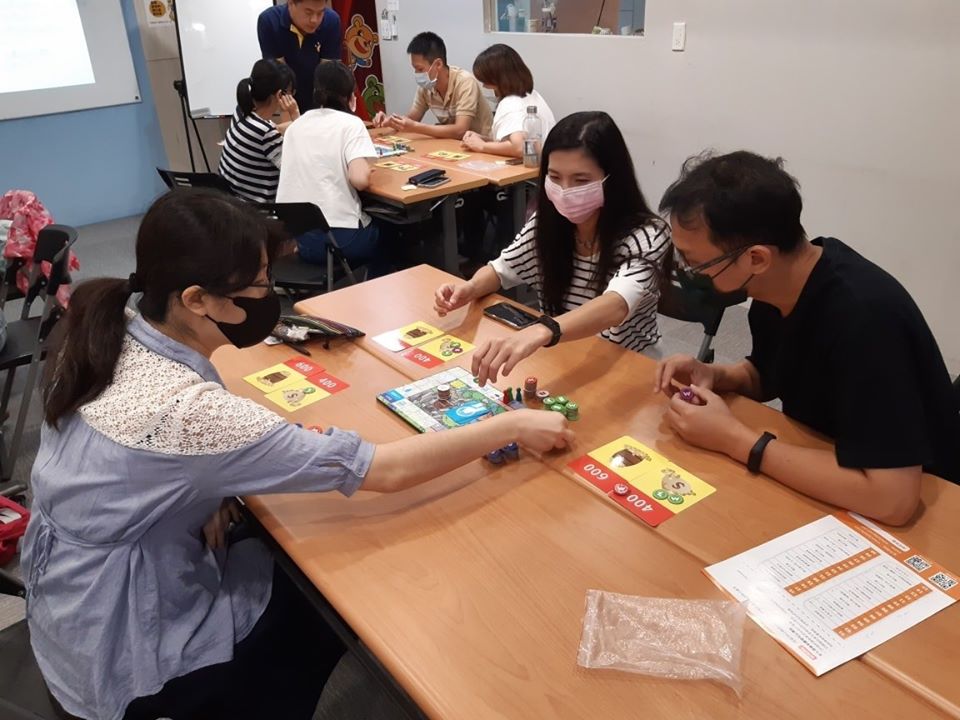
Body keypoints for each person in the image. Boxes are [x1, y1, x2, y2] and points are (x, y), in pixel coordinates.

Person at [22, 188, 572, 720]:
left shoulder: (111, 327)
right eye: (260, 285)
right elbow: (387, 469)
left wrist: (208, 491)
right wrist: (512, 424)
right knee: (342, 579)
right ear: (195, 300)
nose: (271, 296)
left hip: (68, 606)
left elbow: (142, 469)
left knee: (275, 527)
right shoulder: (188, 413)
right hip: (130, 657)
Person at [655, 150, 960, 525]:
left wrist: (735, 439)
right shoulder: (777, 285)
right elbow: (771, 373)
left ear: (756, 259)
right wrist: (717, 376)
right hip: (829, 461)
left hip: (925, 505)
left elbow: (893, 500)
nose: (686, 273)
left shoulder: (865, 318)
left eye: (694, 262)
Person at [434, 111, 671, 386]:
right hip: (565, 357)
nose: (565, 190)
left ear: (612, 179)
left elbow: (617, 304)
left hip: (630, 368)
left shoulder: (647, 235)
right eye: (554, 177)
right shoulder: (548, 224)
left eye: (581, 181)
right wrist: (470, 288)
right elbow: (502, 269)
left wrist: (543, 330)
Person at [276, 61, 391, 277]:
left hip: (303, 240)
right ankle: (375, 290)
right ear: (350, 95)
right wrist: (366, 168)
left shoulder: (295, 126)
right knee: (393, 232)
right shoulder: (351, 124)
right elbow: (360, 180)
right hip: (342, 240)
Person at [371, 31, 492, 139]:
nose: (417, 74)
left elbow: (460, 130)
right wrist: (391, 121)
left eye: (420, 69)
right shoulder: (426, 86)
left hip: (481, 145)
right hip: (451, 143)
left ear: (438, 64)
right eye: (414, 69)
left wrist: (415, 127)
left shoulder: (465, 82)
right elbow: (413, 117)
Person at [219, 59, 299, 203]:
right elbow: (295, 169)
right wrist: (295, 114)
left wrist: (285, 126)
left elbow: (271, 130)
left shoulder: (241, 111)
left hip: (231, 200)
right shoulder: (265, 133)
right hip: (256, 209)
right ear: (279, 95)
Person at [462, 43, 556, 158]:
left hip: (529, 166)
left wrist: (482, 146)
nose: (484, 86)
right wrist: (483, 140)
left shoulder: (511, 104)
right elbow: (517, 140)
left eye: (486, 81)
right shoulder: (533, 95)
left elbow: (519, 147)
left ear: (496, 79)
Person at [257, 0, 342, 113]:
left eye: (320, 13)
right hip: (285, 99)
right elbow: (279, 75)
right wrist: (292, 113)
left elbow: (328, 74)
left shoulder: (331, 21)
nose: (314, 20)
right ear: (291, 3)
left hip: (318, 99)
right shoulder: (269, 21)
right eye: (308, 12)